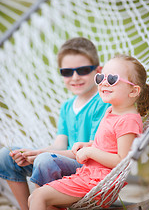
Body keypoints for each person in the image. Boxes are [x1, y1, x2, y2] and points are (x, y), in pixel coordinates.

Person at [28, 54, 149, 210]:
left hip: (100, 183)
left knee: (39, 197)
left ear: (133, 91)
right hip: (87, 175)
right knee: (37, 198)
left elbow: (123, 161)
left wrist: (90, 152)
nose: (104, 83)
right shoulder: (111, 112)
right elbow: (108, 145)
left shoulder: (128, 120)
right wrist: (88, 144)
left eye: (113, 79)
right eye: (101, 78)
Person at [0, 37, 111, 210]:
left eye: (82, 70)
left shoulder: (103, 102)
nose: (74, 77)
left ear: (98, 71)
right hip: (64, 162)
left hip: (89, 169)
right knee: (7, 156)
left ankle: (45, 203)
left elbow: (92, 152)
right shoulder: (67, 106)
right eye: (67, 72)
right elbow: (59, 144)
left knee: (45, 160)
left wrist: (41, 155)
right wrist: (33, 153)